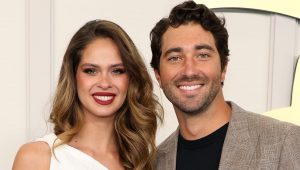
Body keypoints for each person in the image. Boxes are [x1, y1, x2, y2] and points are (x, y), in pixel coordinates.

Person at [150, 1, 300, 169]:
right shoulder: (155, 163)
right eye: (175, 58)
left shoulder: (286, 142)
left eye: (203, 55)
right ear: (158, 75)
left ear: (223, 68)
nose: (189, 71)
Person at [13, 19, 163, 170]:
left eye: (117, 71)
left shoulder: (142, 162)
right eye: (91, 71)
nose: (104, 83)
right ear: (73, 76)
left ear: (131, 79)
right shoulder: (37, 158)